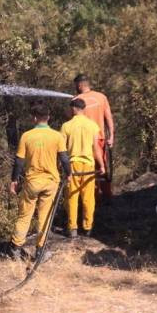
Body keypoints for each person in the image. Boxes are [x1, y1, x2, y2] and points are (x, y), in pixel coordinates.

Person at [9, 102, 69, 261]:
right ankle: (40, 251)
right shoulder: (57, 136)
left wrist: (14, 180)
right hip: (51, 182)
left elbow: (19, 162)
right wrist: (69, 174)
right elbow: (64, 159)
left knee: (24, 216)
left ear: (34, 118)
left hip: (32, 182)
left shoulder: (26, 136)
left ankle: (15, 248)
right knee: (45, 216)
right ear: (48, 117)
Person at [60, 98, 105, 238]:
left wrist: (59, 166)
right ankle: (88, 227)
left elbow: (61, 150)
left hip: (72, 165)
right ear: (83, 109)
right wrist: (102, 165)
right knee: (88, 198)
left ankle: (72, 228)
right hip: (88, 165)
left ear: (73, 108)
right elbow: (96, 148)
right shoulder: (92, 125)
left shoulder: (66, 126)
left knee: (72, 197)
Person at [73, 74, 116, 198]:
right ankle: (107, 196)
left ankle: (92, 197)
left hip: (83, 140)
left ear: (79, 85)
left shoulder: (76, 101)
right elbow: (109, 118)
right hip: (100, 139)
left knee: (88, 168)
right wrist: (111, 136)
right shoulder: (101, 97)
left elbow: (71, 120)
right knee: (102, 166)